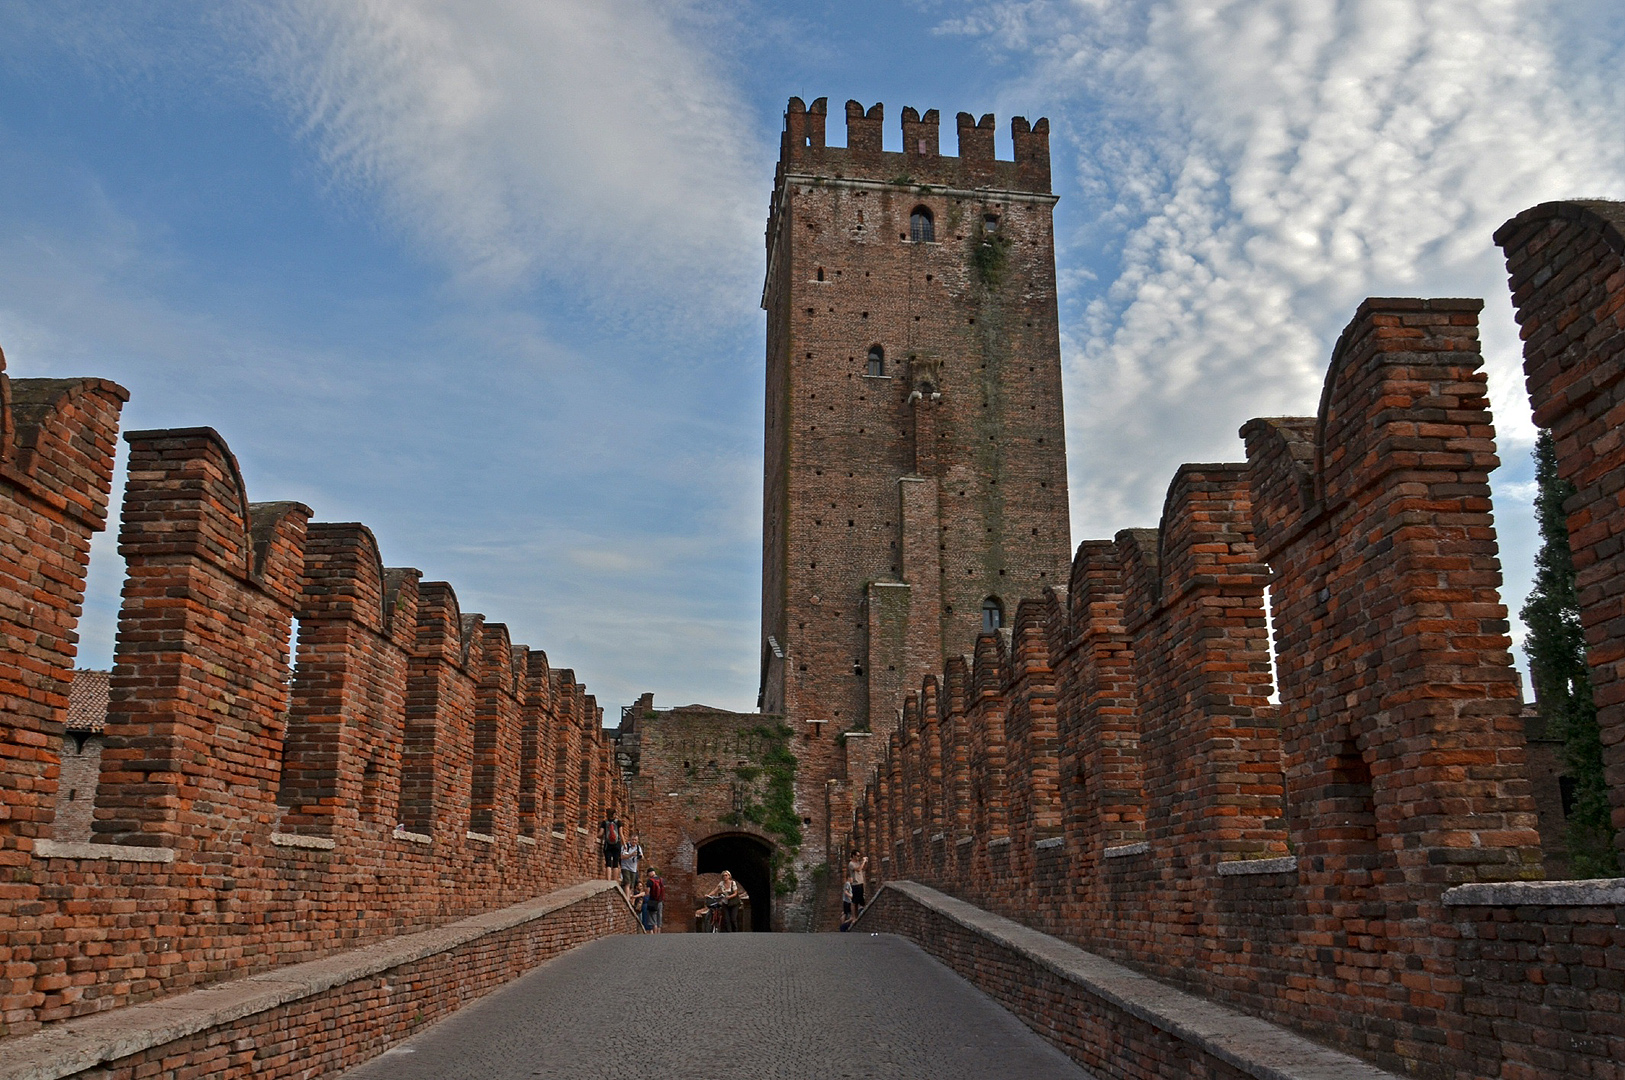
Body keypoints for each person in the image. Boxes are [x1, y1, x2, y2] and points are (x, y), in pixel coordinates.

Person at [598, 808, 623, 882]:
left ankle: (608, 880)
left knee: (608, 862)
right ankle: (614, 880)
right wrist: (624, 844)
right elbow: (621, 834)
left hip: (607, 844)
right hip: (617, 844)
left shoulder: (604, 822)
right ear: (614, 814)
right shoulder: (618, 822)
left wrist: (594, 836)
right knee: (615, 863)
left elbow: (600, 834)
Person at [642, 867, 665, 933]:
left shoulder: (650, 881)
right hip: (660, 900)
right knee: (659, 916)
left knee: (653, 917)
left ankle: (655, 934)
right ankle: (659, 932)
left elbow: (647, 893)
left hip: (652, 901)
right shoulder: (661, 880)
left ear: (650, 873)